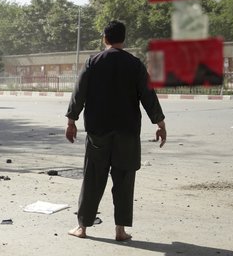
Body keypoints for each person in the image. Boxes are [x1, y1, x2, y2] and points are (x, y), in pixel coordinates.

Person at [65, 20, 167, 242]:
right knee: (124, 180)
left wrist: (72, 120)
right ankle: (120, 230)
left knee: (93, 178)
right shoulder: (135, 64)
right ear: (123, 39)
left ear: (105, 38)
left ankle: (82, 227)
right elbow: (148, 96)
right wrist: (159, 123)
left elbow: (79, 92)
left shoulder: (93, 62)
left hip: (98, 132)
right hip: (127, 133)